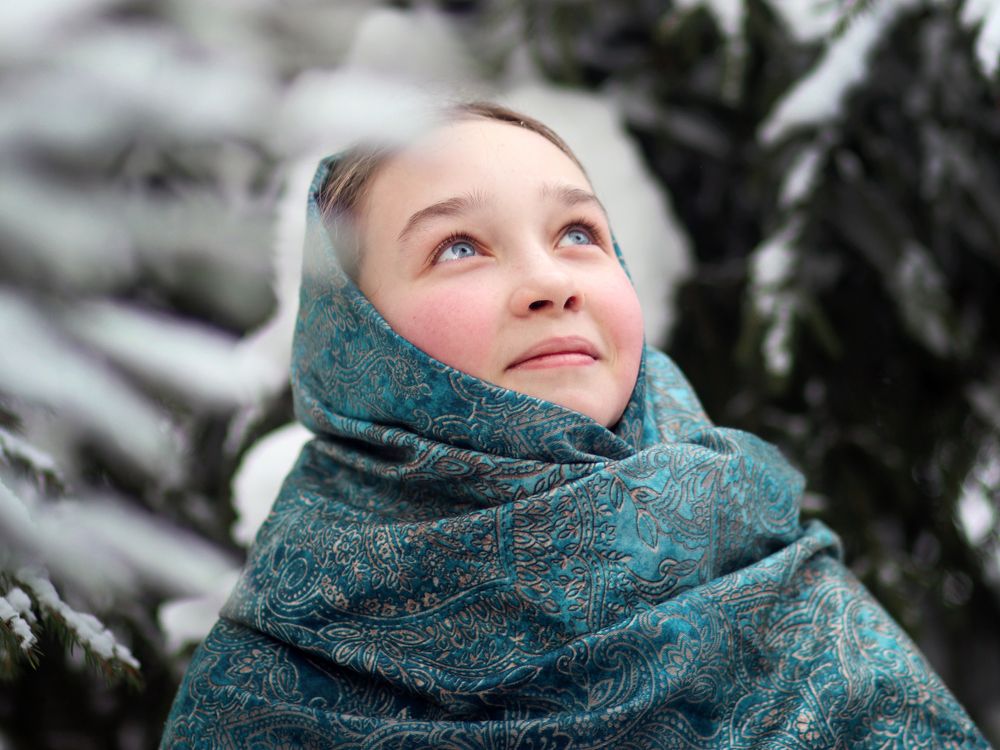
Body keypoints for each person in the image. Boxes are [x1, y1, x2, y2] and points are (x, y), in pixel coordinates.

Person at [160, 102, 990, 748]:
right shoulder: (268, 686)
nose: (549, 281)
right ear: (355, 336)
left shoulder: (783, 601)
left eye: (578, 232)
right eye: (459, 247)